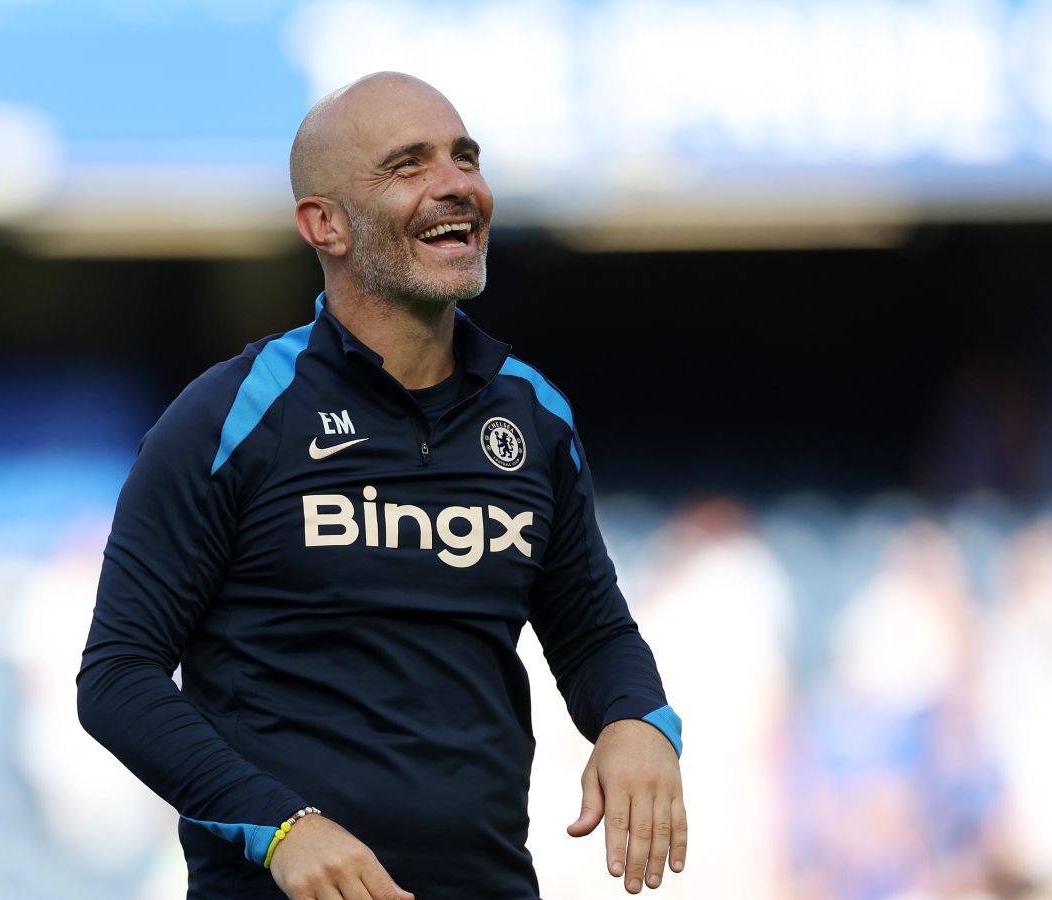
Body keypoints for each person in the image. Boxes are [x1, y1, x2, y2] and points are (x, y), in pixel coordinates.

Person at [77, 72, 686, 900]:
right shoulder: (231, 414)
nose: (456, 183)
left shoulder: (534, 412)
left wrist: (638, 720)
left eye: (465, 157)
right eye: (409, 164)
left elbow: (593, 634)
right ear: (323, 224)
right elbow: (117, 678)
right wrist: (280, 827)